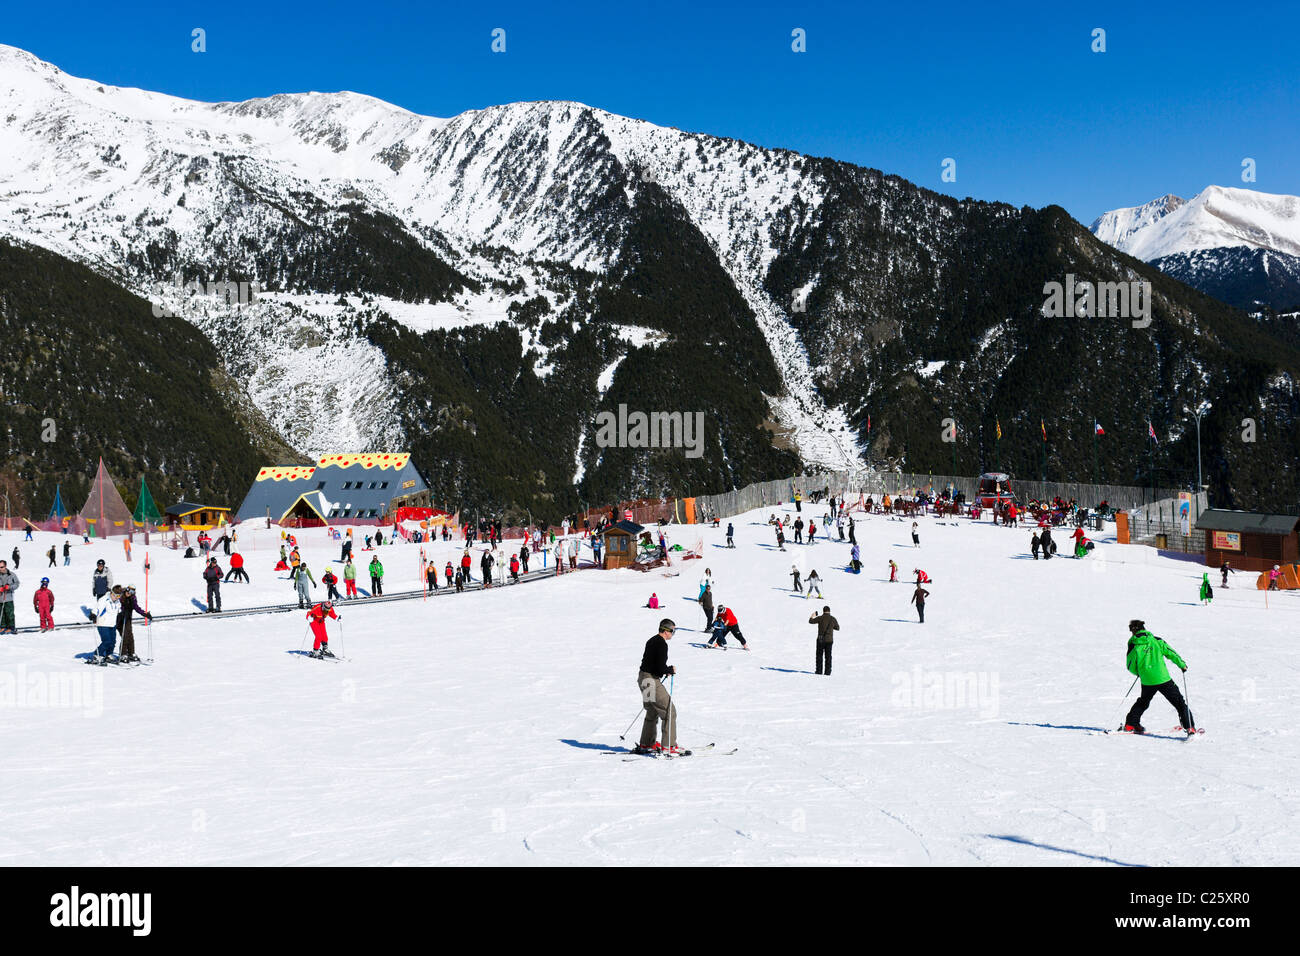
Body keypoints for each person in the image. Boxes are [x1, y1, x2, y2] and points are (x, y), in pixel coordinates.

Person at [1122, 620, 1194, 734]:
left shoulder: (1133, 645)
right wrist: (1182, 665)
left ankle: (1130, 724)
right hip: (1163, 678)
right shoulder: (1157, 640)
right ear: (1144, 628)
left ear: (1132, 631)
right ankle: (1190, 727)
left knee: (1143, 702)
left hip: (1147, 680)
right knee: (1179, 703)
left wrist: (1139, 673)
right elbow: (1171, 653)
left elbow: (1130, 665)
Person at [635, 619, 682, 755]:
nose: (673, 634)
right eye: (672, 631)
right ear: (666, 630)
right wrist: (669, 669)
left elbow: (651, 663)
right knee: (669, 711)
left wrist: (663, 670)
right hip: (651, 680)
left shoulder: (651, 640)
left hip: (643, 678)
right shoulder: (662, 644)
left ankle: (647, 743)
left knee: (652, 711)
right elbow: (659, 667)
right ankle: (669, 746)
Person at [115, 584, 151, 662]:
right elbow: (116, 606)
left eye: (132, 592)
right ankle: (123, 654)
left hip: (128, 619)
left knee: (130, 636)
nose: (129, 593)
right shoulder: (121, 596)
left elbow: (136, 607)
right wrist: (121, 612)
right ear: (126, 589)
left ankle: (131, 653)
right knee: (125, 636)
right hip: (119, 619)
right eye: (128, 590)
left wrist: (145, 614)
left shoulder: (133, 598)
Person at [89, 587, 119, 663]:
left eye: (118, 596)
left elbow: (119, 609)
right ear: (111, 593)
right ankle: (97, 655)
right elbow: (97, 608)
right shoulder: (104, 600)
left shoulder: (117, 602)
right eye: (115, 595)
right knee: (106, 641)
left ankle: (109, 654)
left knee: (113, 641)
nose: (116, 598)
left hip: (112, 624)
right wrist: (93, 614)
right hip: (103, 623)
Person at [809, 605, 839, 675]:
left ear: (823, 611)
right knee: (828, 657)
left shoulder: (820, 618)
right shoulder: (833, 619)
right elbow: (837, 628)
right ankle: (827, 672)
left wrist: (812, 615)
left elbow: (810, 621)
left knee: (819, 656)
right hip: (829, 640)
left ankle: (819, 671)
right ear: (829, 611)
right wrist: (831, 627)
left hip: (820, 639)